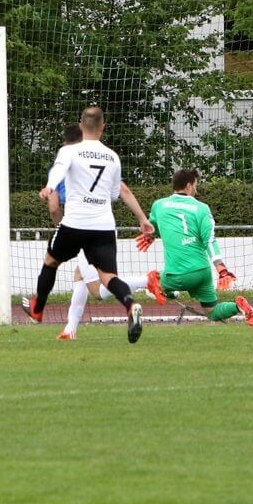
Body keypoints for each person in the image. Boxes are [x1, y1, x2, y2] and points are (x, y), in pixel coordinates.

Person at [25, 106, 153, 344]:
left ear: (81, 126)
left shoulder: (70, 151)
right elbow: (116, 193)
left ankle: (38, 308)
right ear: (103, 127)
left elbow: (59, 170)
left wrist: (49, 187)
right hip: (103, 226)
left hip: (74, 223)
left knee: (51, 261)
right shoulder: (113, 157)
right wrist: (142, 219)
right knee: (108, 277)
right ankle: (130, 303)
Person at [136, 168, 253, 327]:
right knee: (212, 312)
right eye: (195, 185)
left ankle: (173, 292)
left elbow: (151, 227)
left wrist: (150, 235)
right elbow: (209, 240)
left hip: (178, 273)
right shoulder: (202, 208)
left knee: (151, 285)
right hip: (202, 272)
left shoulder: (159, 205)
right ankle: (238, 306)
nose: (196, 189)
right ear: (188, 186)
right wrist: (221, 269)